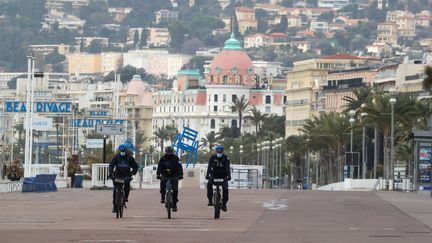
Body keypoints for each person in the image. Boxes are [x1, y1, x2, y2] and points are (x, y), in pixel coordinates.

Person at [108, 144, 138, 213]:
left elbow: (136, 167)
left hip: (126, 175)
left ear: (125, 151)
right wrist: (111, 173)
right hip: (117, 175)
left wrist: (132, 173)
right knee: (115, 190)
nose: (122, 152)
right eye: (121, 151)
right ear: (119, 151)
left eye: (123, 151)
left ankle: (125, 197)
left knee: (127, 185)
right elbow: (111, 165)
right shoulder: (116, 157)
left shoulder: (130, 158)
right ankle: (115, 206)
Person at [156, 146, 183, 212]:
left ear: (172, 152)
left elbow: (179, 166)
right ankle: (163, 197)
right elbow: (159, 166)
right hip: (165, 175)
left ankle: (174, 204)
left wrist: (180, 175)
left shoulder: (176, 158)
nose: (169, 153)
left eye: (170, 152)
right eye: (168, 152)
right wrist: (158, 174)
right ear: (166, 152)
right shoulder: (162, 158)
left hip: (174, 175)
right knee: (162, 183)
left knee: (175, 189)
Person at [206, 145, 231, 212]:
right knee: (209, 185)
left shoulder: (226, 158)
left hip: (223, 176)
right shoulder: (212, 158)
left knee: (225, 190)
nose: (219, 153)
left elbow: (227, 167)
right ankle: (210, 200)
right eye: (218, 151)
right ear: (216, 151)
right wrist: (207, 175)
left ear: (222, 151)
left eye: (220, 151)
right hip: (214, 175)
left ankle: (224, 204)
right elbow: (209, 167)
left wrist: (229, 175)